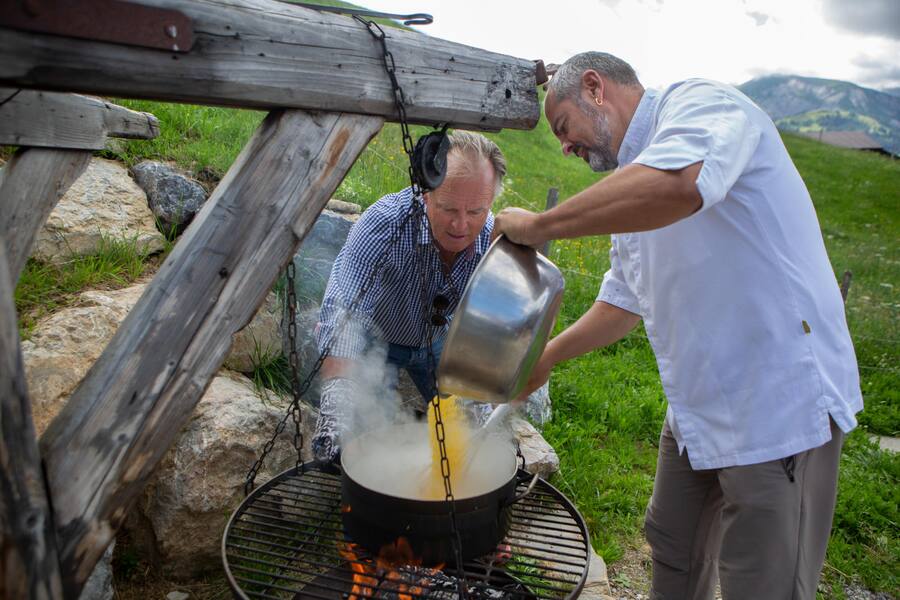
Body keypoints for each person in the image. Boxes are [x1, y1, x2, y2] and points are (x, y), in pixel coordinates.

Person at [493, 52, 862, 600]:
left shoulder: (701, 106)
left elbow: (682, 185)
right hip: (697, 401)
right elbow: (622, 302)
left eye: (563, 128)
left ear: (595, 88)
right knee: (672, 544)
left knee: (760, 579)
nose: (565, 147)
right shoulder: (630, 179)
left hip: (773, 402)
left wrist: (542, 226)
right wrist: (544, 358)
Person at [311, 130, 507, 462]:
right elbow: (344, 315)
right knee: (362, 438)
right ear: (425, 193)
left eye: (476, 211)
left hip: (444, 346)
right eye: (448, 208)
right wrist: (337, 411)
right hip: (379, 344)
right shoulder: (384, 225)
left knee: (474, 443)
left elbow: (497, 333)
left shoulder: (493, 241)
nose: (461, 225)